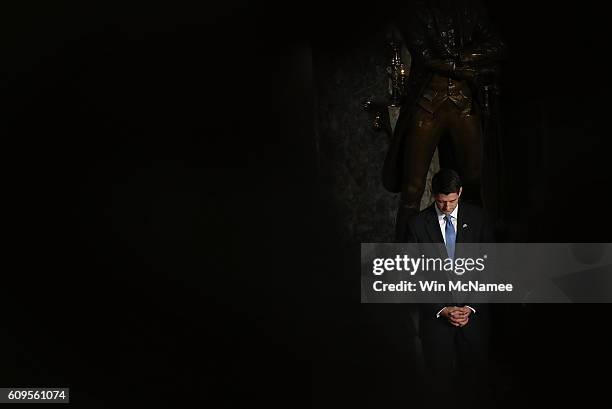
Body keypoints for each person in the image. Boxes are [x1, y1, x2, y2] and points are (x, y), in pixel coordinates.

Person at [383, 0, 506, 241]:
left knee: (473, 184)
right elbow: (426, 56)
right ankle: (403, 259)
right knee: (412, 189)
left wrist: (461, 56)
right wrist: (470, 69)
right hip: (427, 104)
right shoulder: (413, 10)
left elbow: (499, 44)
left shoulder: (470, 7)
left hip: (464, 104)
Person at [404, 168, 495, 407]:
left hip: (474, 319)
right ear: (433, 194)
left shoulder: (480, 219)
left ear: (460, 192)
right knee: (440, 389)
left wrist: (471, 306)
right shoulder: (416, 225)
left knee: (476, 387)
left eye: (452, 201)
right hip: (436, 321)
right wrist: (441, 308)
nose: (446, 207)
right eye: (442, 201)